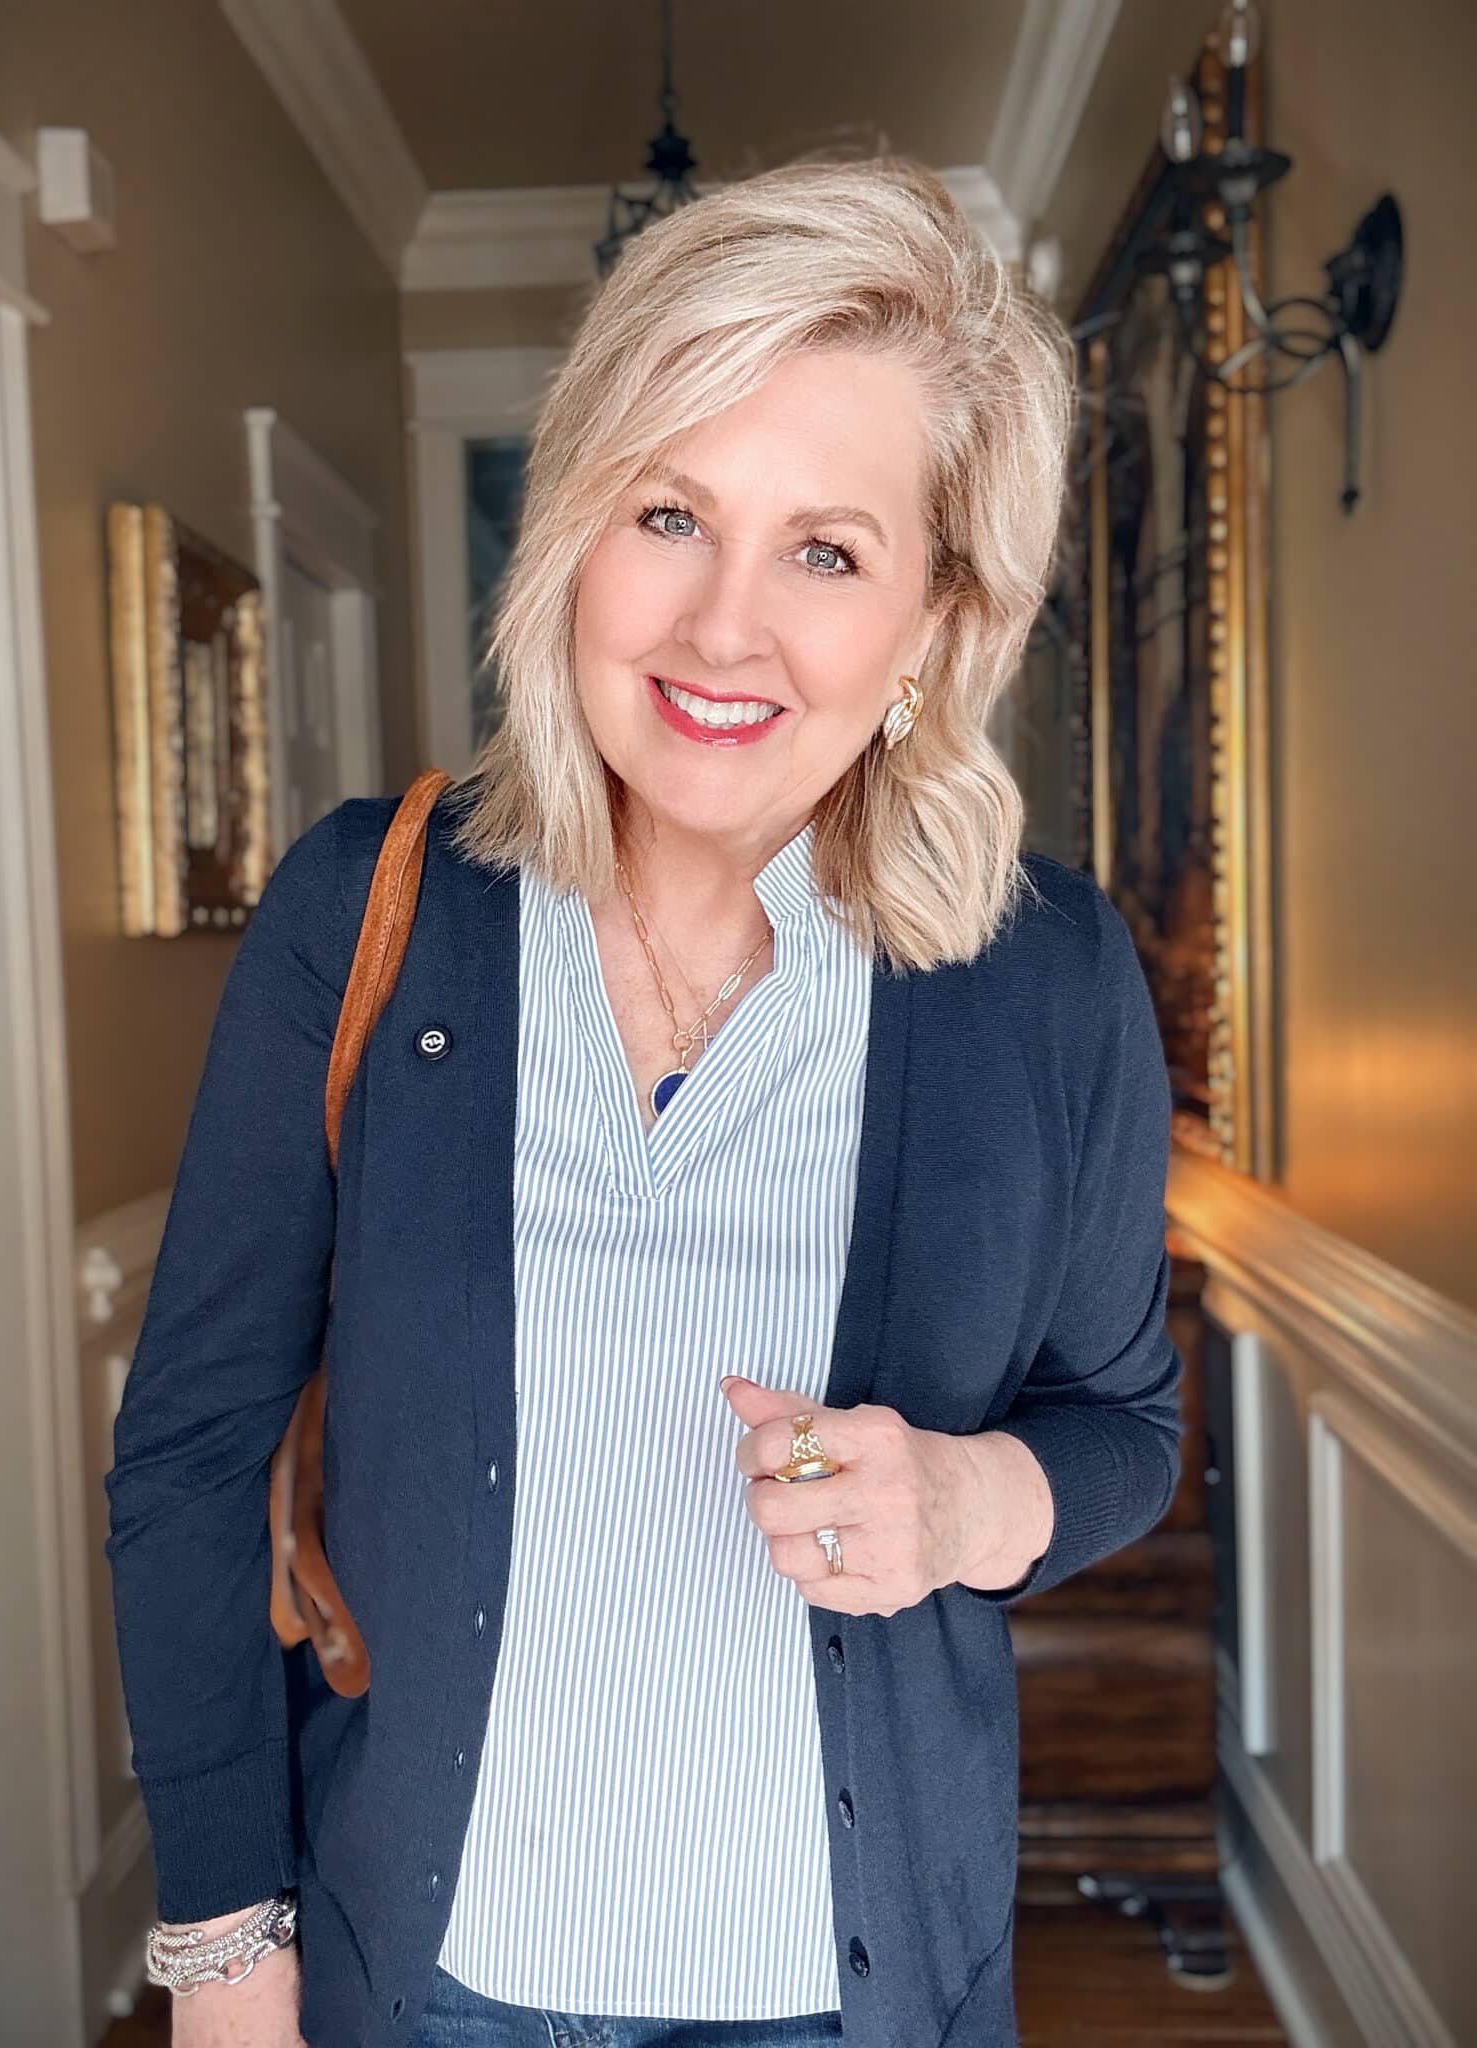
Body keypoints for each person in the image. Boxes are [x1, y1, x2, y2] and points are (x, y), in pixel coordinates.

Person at [105, 156, 1182, 2048]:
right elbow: (193, 1453)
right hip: (422, 1986)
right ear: (577, 531)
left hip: (845, 2004)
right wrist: (223, 1951)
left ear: (936, 618)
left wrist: (958, 1500)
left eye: (828, 551)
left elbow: (1123, 1429)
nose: (721, 628)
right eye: (671, 513)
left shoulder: (1045, 981)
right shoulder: (372, 915)